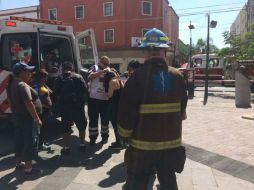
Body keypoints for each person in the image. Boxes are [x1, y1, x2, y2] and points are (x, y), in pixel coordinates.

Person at [118, 28, 188, 190]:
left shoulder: (136, 77)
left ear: (146, 51)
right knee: (168, 180)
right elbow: (182, 113)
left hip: (143, 147)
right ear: (165, 50)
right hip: (171, 146)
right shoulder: (178, 76)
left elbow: (126, 112)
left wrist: (124, 135)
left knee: (138, 181)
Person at [7, 62, 42, 175]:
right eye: (28, 71)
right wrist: (37, 119)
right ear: (22, 72)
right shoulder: (22, 85)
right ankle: (28, 168)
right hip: (26, 118)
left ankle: (18, 163)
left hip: (17, 117)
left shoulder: (12, 83)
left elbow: (9, 100)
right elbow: (28, 103)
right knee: (29, 142)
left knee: (19, 140)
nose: (30, 73)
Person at [54, 61, 87, 155]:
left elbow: (55, 92)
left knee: (66, 128)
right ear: (71, 68)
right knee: (81, 127)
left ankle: (66, 147)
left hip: (65, 108)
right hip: (78, 107)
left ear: (62, 68)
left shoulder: (59, 78)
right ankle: (82, 145)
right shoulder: (78, 77)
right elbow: (84, 90)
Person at [87, 56, 111, 145]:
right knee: (93, 119)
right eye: (105, 64)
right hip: (94, 99)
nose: (106, 66)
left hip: (105, 99)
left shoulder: (109, 69)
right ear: (100, 62)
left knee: (105, 120)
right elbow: (89, 77)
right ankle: (93, 138)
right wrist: (102, 71)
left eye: (108, 64)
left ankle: (105, 136)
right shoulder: (94, 68)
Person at [31, 69, 53, 149]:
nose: (46, 79)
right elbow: (34, 97)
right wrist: (43, 105)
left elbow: (50, 92)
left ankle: (40, 144)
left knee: (42, 128)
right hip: (41, 111)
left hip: (46, 110)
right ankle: (37, 145)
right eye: (45, 77)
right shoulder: (35, 85)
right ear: (40, 77)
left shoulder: (42, 84)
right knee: (39, 129)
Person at [103, 70, 123, 149]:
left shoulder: (112, 81)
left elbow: (110, 95)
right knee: (120, 125)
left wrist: (105, 93)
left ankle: (118, 143)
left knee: (115, 126)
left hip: (113, 106)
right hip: (120, 106)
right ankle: (122, 142)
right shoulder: (119, 80)